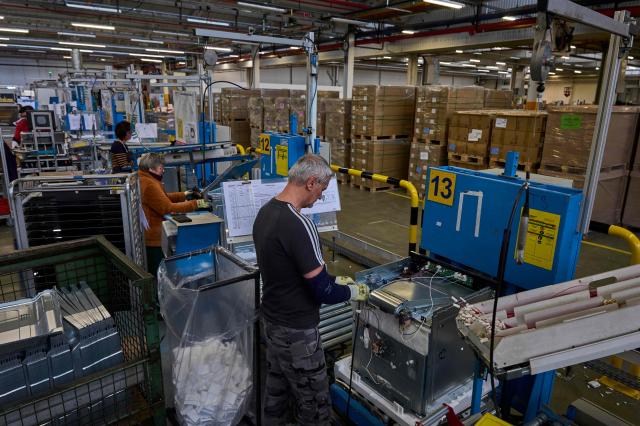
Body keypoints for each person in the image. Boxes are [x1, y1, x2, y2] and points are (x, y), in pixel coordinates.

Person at [252, 154, 370, 425]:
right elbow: (322, 292)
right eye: (322, 191)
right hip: (297, 332)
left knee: (277, 392)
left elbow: (291, 270)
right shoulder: (299, 224)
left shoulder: (266, 212)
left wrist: (332, 280)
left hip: (271, 321)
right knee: (315, 403)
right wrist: (349, 292)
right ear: (311, 182)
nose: (319, 198)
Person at [138, 152, 207, 276]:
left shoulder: (145, 178)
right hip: (154, 240)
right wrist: (197, 203)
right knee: (159, 275)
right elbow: (168, 208)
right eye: (160, 168)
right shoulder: (149, 184)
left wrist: (185, 194)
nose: (163, 171)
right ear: (150, 169)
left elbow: (162, 198)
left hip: (152, 234)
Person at [3, 106, 33, 182]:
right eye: (22, 116)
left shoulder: (37, 122)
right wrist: (15, 147)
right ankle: (13, 179)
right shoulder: (21, 123)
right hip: (24, 148)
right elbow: (16, 138)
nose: (24, 118)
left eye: (25, 116)